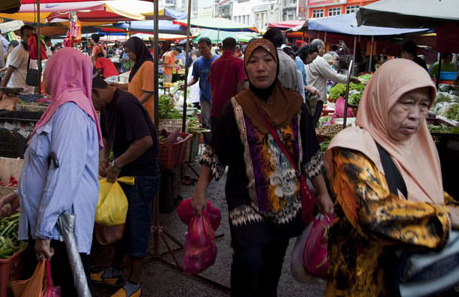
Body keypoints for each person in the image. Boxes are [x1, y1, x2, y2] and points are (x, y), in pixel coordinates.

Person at [190, 39, 333, 296]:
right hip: (245, 198)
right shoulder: (235, 107)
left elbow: (310, 152)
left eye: (267, 60)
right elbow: (216, 152)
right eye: (253, 61)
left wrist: (322, 192)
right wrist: (200, 190)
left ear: (276, 65)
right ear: (246, 67)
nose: (260, 68)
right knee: (249, 260)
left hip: (284, 201)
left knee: (271, 266)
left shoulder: (295, 106)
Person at [324, 59, 459, 296]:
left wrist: (450, 207)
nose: (416, 115)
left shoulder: (418, 145)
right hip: (365, 283)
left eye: (424, 105)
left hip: (416, 283)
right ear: (381, 99)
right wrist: (445, 218)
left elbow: (433, 194)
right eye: (406, 104)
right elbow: (373, 216)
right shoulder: (351, 149)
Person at [0, 48, 102, 296]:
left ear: (61, 71)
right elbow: (43, 167)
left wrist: (43, 232)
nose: (44, 77)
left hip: (62, 228)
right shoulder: (62, 105)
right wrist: (17, 196)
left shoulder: (71, 111)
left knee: (66, 285)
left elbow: (64, 173)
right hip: (56, 222)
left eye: (48, 70)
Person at [91, 75, 161, 297]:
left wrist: (116, 163)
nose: (89, 104)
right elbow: (107, 139)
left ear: (95, 91)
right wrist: (105, 158)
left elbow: (144, 141)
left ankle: (133, 284)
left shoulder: (126, 104)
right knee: (121, 223)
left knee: (137, 228)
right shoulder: (107, 106)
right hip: (125, 174)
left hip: (141, 176)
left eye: (89, 98)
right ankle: (114, 271)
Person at [208, 37, 246, 133]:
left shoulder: (214, 63)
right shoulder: (239, 62)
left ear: (222, 48)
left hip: (215, 107)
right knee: (230, 142)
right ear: (235, 48)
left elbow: (210, 82)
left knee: (216, 141)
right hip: (231, 108)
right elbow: (241, 83)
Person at [180, 37, 218, 130]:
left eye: (203, 47)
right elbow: (195, 78)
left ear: (210, 46)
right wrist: (187, 84)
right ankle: (207, 143)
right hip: (204, 96)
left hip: (217, 96)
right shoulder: (197, 62)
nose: (201, 50)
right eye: (199, 48)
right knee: (206, 122)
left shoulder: (218, 61)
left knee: (217, 121)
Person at [114, 37, 155, 122]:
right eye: (126, 51)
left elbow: (149, 91)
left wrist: (135, 105)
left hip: (143, 112)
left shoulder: (148, 65)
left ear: (137, 50)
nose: (128, 54)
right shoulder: (138, 65)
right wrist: (119, 86)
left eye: (130, 51)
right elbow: (135, 85)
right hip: (135, 111)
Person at [0, 26, 35, 102]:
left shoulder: (32, 49)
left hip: (28, 92)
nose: (30, 38)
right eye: (27, 35)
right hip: (17, 93)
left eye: (32, 36)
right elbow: (9, 71)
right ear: (22, 36)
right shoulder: (19, 50)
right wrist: (1, 92)